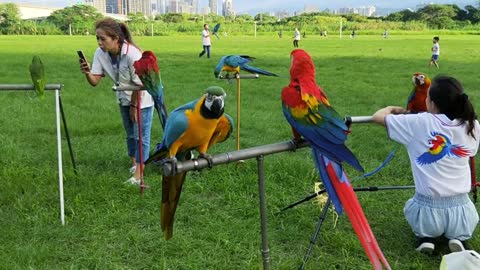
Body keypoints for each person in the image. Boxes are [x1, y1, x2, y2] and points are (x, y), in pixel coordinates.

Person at [372, 75, 479, 254]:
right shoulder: (472, 124)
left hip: (427, 212)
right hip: (462, 213)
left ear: (432, 103)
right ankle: (457, 238)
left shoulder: (419, 122)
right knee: (458, 224)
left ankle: (426, 238)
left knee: (415, 207)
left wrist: (392, 109)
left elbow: (377, 117)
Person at [78, 18, 154, 185]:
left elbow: (139, 84)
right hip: (123, 98)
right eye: (97, 38)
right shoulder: (100, 53)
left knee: (141, 136)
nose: (99, 42)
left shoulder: (133, 53)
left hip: (142, 98)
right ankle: (134, 165)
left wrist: (134, 106)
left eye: (103, 38)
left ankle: (139, 175)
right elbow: (95, 81)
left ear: (116, 39)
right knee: (130, 134)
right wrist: (87, 72)